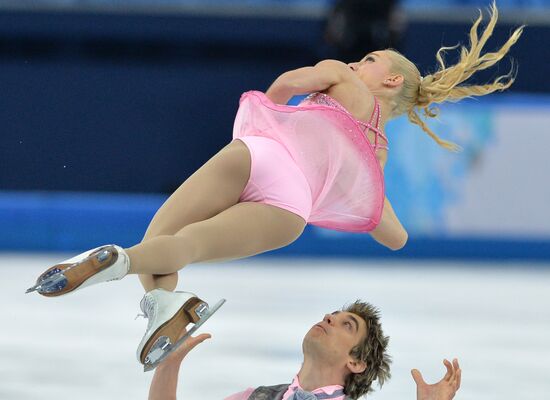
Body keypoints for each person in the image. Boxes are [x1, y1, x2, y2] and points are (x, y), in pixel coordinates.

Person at [26, 3, 522, 368]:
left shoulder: (338, 77)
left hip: (256, 154)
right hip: (290, 205)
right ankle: (136, 279)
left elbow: (285, 85)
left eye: (369, 59)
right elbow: (389, 231)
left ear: (391, 80)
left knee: (164, 234)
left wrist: (291, 103)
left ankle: (147, 288)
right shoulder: (378, 152)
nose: (358, 63)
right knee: (184, 246)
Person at [148, 301, 461, 400]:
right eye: (331, 316)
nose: (328, 318)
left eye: (346, 325)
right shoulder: (255, 397)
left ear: (356, 361)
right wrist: (169, 365)